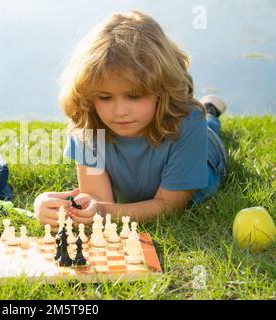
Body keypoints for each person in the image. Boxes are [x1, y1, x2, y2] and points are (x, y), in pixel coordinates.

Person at [34, 11, 227, 228]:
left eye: (134, 96)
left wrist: (104, 211)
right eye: (105, 97)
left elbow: (168, 206)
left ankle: (211, 113)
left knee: (206, 124)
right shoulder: (89, 125)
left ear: (161, 89)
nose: (120, 111)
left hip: (206, 156)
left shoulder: (190, 122)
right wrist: (48, 204)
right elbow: (97, 199)